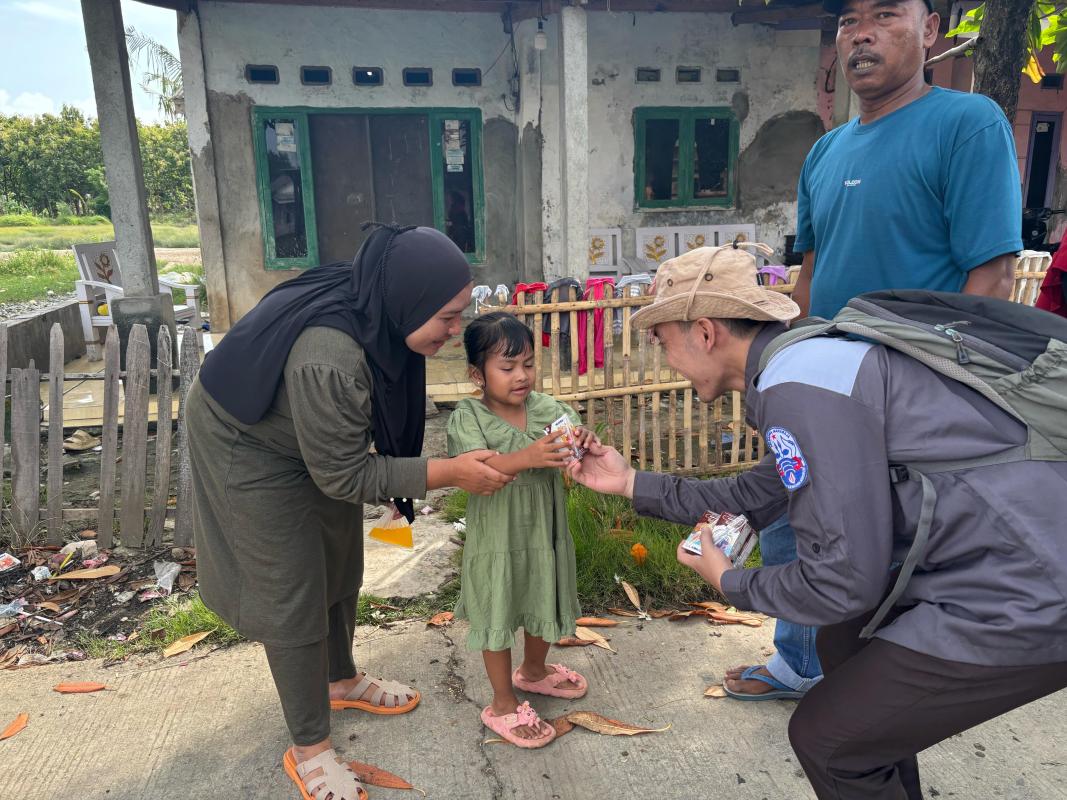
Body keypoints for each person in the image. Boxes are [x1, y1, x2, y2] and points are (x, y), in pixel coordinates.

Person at [568, 245, 1067, 799]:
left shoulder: (799, 390)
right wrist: (629, 481)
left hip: (1030, 582)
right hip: (1004, 551)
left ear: (704, 332)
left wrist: (730, 582)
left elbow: (840, 580)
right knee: (844, 642)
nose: (667, 362)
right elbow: (756, 495)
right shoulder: (810, 363)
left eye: (663, 342)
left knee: (828, 742)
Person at [726, 0, 1028, 702]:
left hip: (909, 393)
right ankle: (797, 663)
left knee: (881, 549)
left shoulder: (966, 124)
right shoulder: (825, 151)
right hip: (823, 386)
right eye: (848, 20)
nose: (860, 33)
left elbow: (991, 275)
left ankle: (862, 689)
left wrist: (946, 393)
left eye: (885, 14)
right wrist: (785, 367)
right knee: (794, 521)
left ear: (929, 30)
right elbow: (810, 273)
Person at [186, 225, 515, 800]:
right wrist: (449, 471)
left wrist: (401, 469)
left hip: (305, 434)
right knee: (290, 588)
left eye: (462, 312)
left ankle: (340, 679)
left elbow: (343, 464)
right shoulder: (331, 358)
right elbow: (344, 476)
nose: (456, 330)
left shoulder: (379, 305)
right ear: (409, 303)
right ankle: (310, 748)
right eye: (447, 317)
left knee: (339, 557)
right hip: (246, 441)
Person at [446, 312, 592, 749]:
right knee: (498, 607)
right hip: (497, 537)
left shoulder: (549, 410)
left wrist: (581, 442)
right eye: (507, 367)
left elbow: (572, 443)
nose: (522, 376)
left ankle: (533, 671)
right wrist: (527, 457)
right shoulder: (468, 416)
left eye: (527, 364)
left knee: (542, 593)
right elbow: (478, 470)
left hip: (543, 531)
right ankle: (502, 702)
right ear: (478, 374)